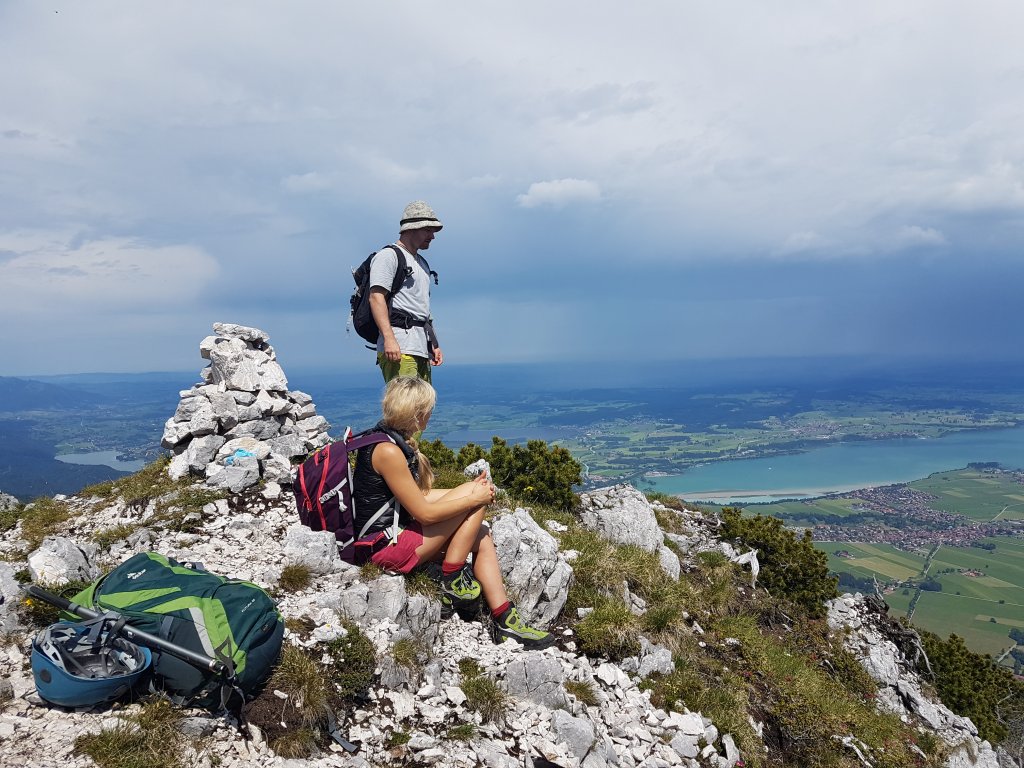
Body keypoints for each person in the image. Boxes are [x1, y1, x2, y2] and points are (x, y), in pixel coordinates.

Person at [351, 376, 555, 650]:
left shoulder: (384, 439)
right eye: (428, 409)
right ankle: (453, 577)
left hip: (392, 537)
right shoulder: (387, 451)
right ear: (418, 412)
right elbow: (425, 514)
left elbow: (418, 496)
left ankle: (505, 621)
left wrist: (470, 492)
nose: (431, 414)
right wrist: (473, 498)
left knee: (481, 533)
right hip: (384, 548)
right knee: (475, 498)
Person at [369, 201, 444, 384]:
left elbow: (421, 308)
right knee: (403, 402)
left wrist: (434, 344)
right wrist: (389, 339)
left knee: (422, 401)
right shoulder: (388, 256)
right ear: (411, 228)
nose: (432, 236)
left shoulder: (422, 263)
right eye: (428, 230)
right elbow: (376, 297)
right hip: (400, 347)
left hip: (420, 347)